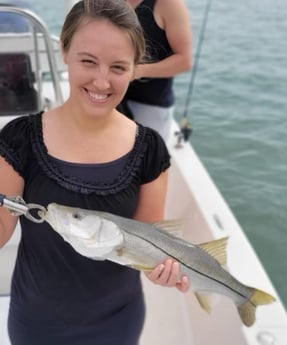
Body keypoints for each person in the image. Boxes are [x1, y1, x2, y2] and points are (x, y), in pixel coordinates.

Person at [0, 1, 189, 344]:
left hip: (117, 323)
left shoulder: (150, 150)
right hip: (36, 323)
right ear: (65, 51)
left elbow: (147, 242)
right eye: (88, 61)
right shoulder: (19, 138)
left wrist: (163, 271)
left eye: (118, 67)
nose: (102, 81)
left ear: (135, 69)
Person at [118, 0, 192, 141]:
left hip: (150, 104)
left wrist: (137, 71)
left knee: (147, 159)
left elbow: (184, 61)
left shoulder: (170, 4)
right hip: (109, 96)